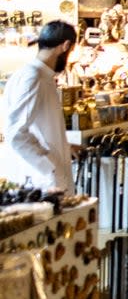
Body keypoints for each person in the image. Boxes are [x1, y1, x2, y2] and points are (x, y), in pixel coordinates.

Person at [0, 21, 77, 194]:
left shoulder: (35, 75)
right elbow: (16, 133)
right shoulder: (33, 78)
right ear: (65, 46)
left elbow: (38, 127)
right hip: (40, 181)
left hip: (45, 176)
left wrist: (64, 146)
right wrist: (48, 166)